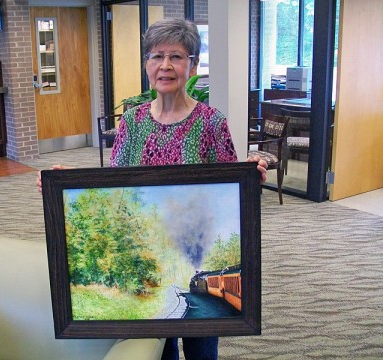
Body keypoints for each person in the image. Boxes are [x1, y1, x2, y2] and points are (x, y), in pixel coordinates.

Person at [37, 18, 267, 360]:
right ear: (147, 64)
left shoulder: (212, 123)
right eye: (157, 56)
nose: (166, 66)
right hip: (147, 247)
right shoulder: (131, 122)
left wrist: (252, 178)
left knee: (203, 350)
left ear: (193, 66)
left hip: (190, 239)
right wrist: (66, 185)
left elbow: (232, 193)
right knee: (159, 351)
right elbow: (115, 190)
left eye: (177, 56)